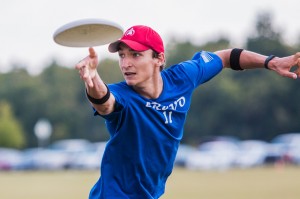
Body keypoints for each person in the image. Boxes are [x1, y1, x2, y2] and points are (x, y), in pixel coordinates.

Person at [75, 25, 300, 199]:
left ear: (159, 59)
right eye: (122, 55)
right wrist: (92, 78)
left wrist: (271, 62)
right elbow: (104, 102)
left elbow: (226, 57)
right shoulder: (123, 95)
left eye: (135, 54)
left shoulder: (182, 77)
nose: (126, 63)